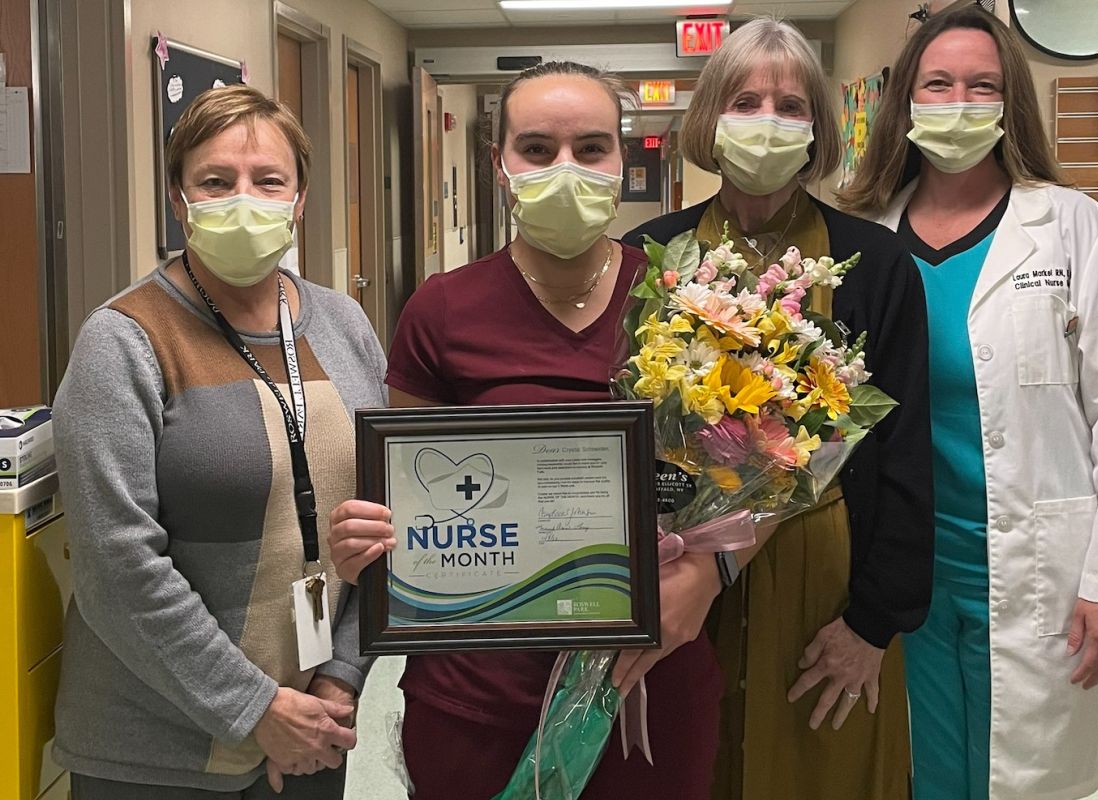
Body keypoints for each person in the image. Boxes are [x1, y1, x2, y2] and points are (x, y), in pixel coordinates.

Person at [328, 61, 725, 799]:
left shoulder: (686, 302)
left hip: (644, 687)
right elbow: (403, 494)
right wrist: (370, 539)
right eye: (537, 150)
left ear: (626, 156)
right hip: (478, 695)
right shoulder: (442, 310)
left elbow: (749, 482)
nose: (565, 170)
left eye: (592, 148)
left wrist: (712, 571)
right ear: (500, 164)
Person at [841, 6, 1098, 799]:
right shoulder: (865, 238)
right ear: (905, 102)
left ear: (1008, 103)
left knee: (1020, 777)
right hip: (901, 567)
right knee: (920, 769)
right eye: (938, 84)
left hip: (1038, 568)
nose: (959, 102)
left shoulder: (1071, 229)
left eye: (981, 85)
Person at [624, 18, 934, 800]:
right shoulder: (650, 255)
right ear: (710, 119)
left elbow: (901, 449)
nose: (767, 120)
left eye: (791, 105)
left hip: (825, 576)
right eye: (746, 99)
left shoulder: (877, 264)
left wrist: (874, 624)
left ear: (818, 131)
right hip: (684, 579)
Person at [52, 85, 386, 798]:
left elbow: (381, 519)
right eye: (215, 181)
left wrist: (339, 676)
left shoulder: (343, 323)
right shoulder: (124, 341)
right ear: (179, 199)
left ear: (299, 201)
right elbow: (118, 568)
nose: (245, 199)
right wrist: (256, 709)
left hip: (315, 726)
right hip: (156, 751)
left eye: (269, 181)